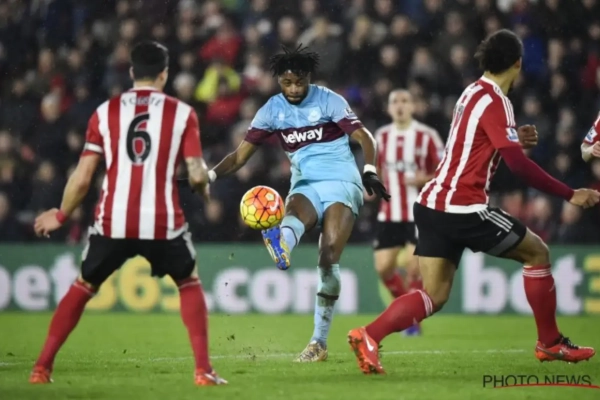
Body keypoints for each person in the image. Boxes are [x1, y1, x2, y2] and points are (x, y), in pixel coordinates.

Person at [347, 29, 599, 375]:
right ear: (518, 64)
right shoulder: (497, 101)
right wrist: (570, 193)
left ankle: (369, 335)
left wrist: (511, 137)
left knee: (434, 295)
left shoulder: (471, 92)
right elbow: (518, 166)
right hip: (463, 208)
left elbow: (472, 141)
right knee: (537, 253)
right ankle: (550, 342)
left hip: (431, 204)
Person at [29, 41, 227, 386]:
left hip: (113, 220)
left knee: (83, 285)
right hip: (161, 221)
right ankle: (203, 371)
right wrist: (204, 189)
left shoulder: (105, 112)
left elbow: (83, 176)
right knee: (188, 282)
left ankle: (41, 368)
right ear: (164, 74)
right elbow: (196, 172)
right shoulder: (182, 113)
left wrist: (60, 215)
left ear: (133, 72)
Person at [208, 44, 390, 362]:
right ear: (279, 80)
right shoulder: (272, 110)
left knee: (328, 256)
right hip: (305, 183)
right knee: (294, 213)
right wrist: (209, 176)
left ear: (309, 78)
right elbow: (238, 157)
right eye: (287, 83)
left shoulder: (329, 100)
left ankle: (318, 342)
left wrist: (370, 170)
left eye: (299, 82)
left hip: (342, 182)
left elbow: (365, 137)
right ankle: (281, 243)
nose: (294, 89)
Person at [372, 89, 444, 336]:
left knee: (414, 268)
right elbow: (375, 170)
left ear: (413, 106)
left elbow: (446, 170)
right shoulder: (381, 137)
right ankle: (409, 313)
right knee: (383, 268)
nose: (400, 106)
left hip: (418, 212)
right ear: (389, 108)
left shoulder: (427, 136)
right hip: (389, 213)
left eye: (405, 101)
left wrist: (425, 178)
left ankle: (411, 321)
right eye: (395, 102)